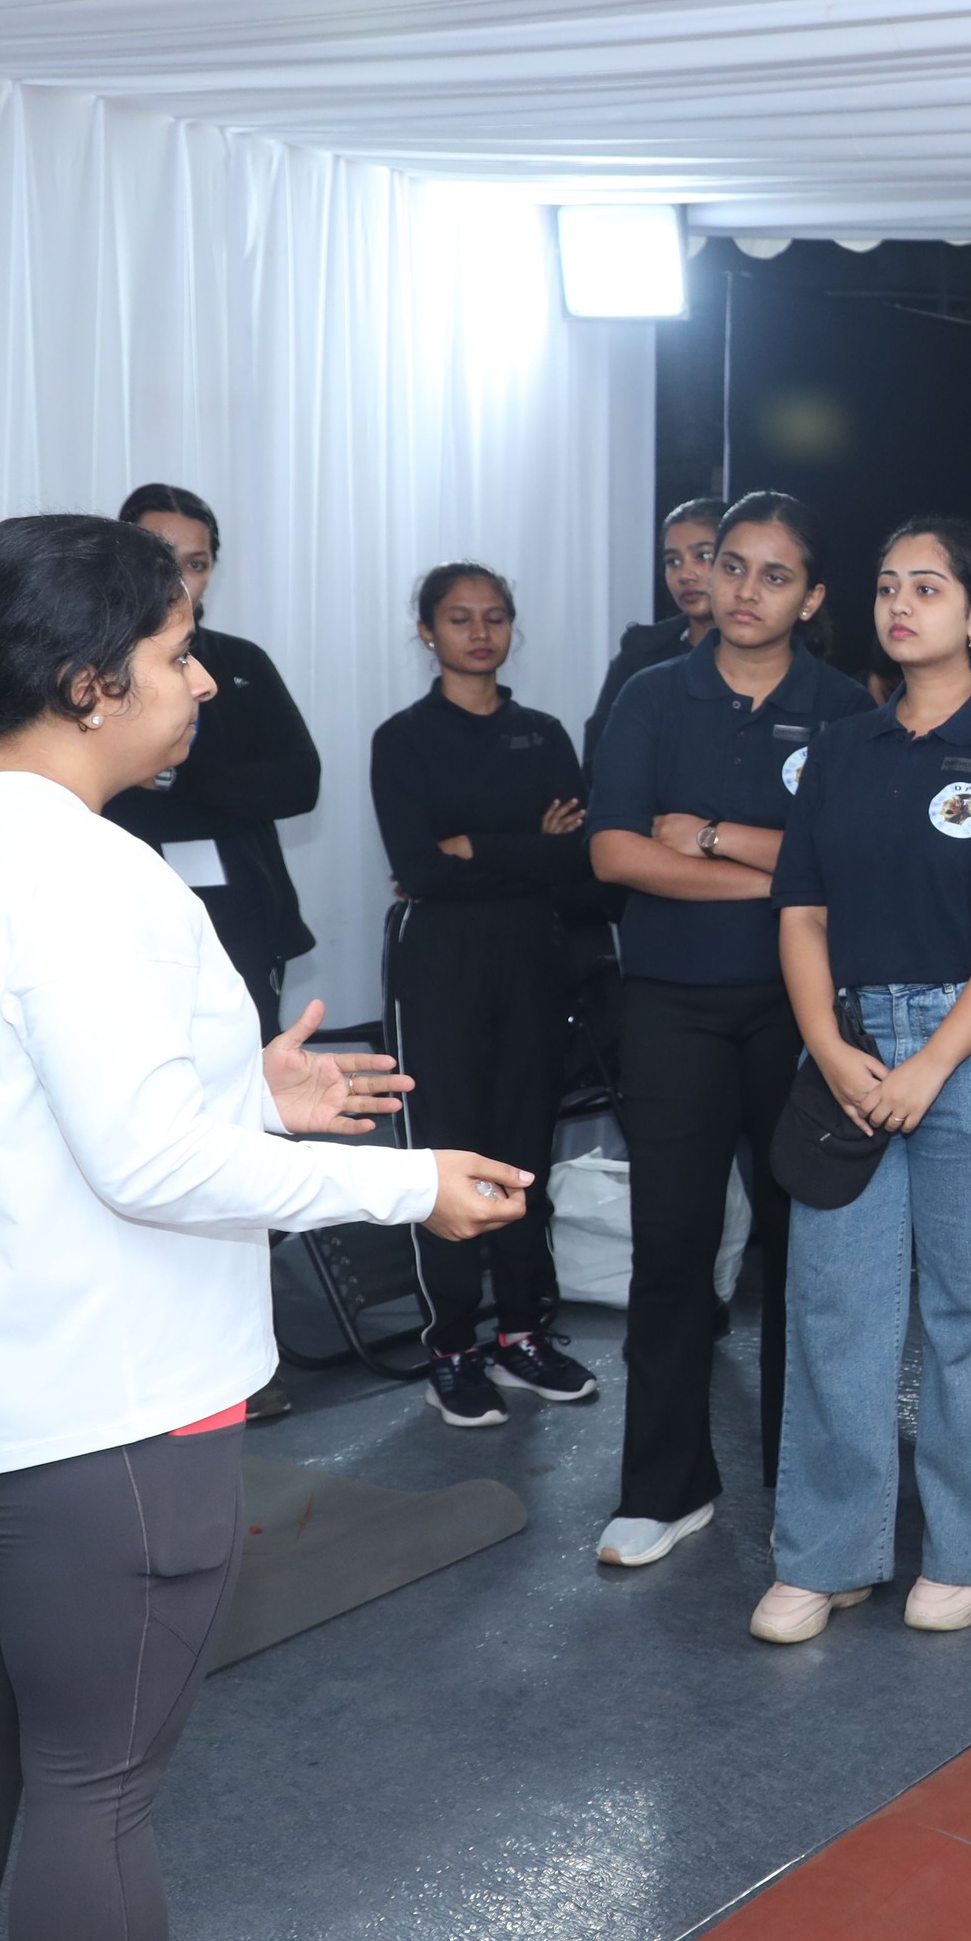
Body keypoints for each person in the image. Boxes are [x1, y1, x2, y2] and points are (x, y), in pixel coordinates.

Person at [0, 512, 528, 1941]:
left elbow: (11, 1109)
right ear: (87, 682)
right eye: (179, 652)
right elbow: (151, 1163)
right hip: (95, 1419)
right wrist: (410, 1183)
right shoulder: (86, 875)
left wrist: (244, 1093)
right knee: (94, 1788)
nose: (206, 682)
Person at [755, 517, 971, 1641]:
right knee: (834, 1309)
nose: (901, 604)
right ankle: (827, 1556)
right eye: (889, 585)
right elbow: (801, 912)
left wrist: (934, 1064)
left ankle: (970, 1552)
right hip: (847, 1045)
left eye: (929, 588)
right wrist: (829, 1046)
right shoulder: (842, 748)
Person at [586, 490, 869, 1572]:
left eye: (775, 574)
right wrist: (779, 873)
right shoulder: (654, 693)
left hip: (803, 1009)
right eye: (731, 565)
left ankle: (812, 1485)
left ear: (814, 597)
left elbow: (851, 863)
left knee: (811, 1249)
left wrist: (706, 839)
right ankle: (664, 1489)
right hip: (670, 1003)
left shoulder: (845, 708)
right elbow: (615, 854)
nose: (746, 591)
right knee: (671, 1249)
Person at [372, 562, 603, 1427]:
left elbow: (579, 862)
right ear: (426, 631)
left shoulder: (542, 734)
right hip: (439, 967)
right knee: (448, 1152)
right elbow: (420, 869)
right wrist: (523, 846)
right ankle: (452, 1348)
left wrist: (478, 845)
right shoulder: (403, 738)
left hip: (532, 960)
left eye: (495, 616)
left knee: (523, 1150)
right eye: (460, 618)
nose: (480, 632)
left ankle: (521, 1334)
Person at [102, 486, 318, 1037]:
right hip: (121, 908)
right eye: (160, 560)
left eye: (195, 564)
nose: (178, 581)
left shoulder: (240, 661)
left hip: (242, 909)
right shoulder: (88, 663)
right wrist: (230, 790)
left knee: (252, 1064)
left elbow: (300, 783)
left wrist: (172, 777)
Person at [584, 497, 725, 775]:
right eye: (673, 561)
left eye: (702, 556)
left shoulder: (776, 657)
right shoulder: (641, 654)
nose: (685, 574)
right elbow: (599, 757)